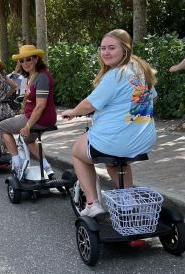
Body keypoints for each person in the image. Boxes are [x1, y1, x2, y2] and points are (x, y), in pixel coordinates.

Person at [61, 28, 157, 217]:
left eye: (112, 48)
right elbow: (142, 101)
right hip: (143, 139)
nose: (105, 52)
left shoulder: (116, 75)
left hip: (115, 140)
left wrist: (72, 112)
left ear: (125, 49)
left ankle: (92, 204)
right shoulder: (140, 71)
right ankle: (128, 201)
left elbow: (89, 104)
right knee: (118, 162)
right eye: (103, 48)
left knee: (78, 153)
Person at [0, 44, 57, 176]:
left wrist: (28, 126)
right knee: (28, 140)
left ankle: (17, 163)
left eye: (29, 59)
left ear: (36, 59)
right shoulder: (33, 76)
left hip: (40, 117)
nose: (25, 62)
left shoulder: (42, 77)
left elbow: (41, 105)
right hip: (37, 116)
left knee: (2, 127)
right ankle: (47, 168)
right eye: (22, 60)